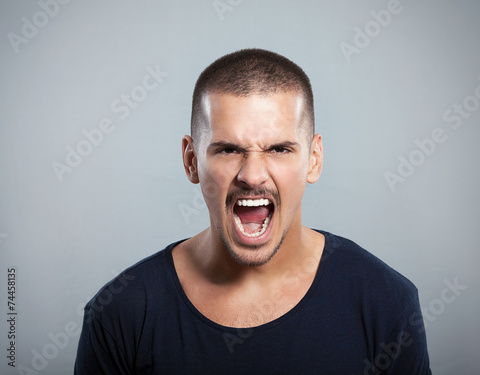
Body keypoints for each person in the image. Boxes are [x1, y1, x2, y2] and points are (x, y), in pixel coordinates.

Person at [74, 48, 432, 374]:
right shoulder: (120, 313)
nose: (252, 175)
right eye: (229, 150)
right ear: (191, 161)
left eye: (278, 149)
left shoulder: (385, 302)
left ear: (314, 159)